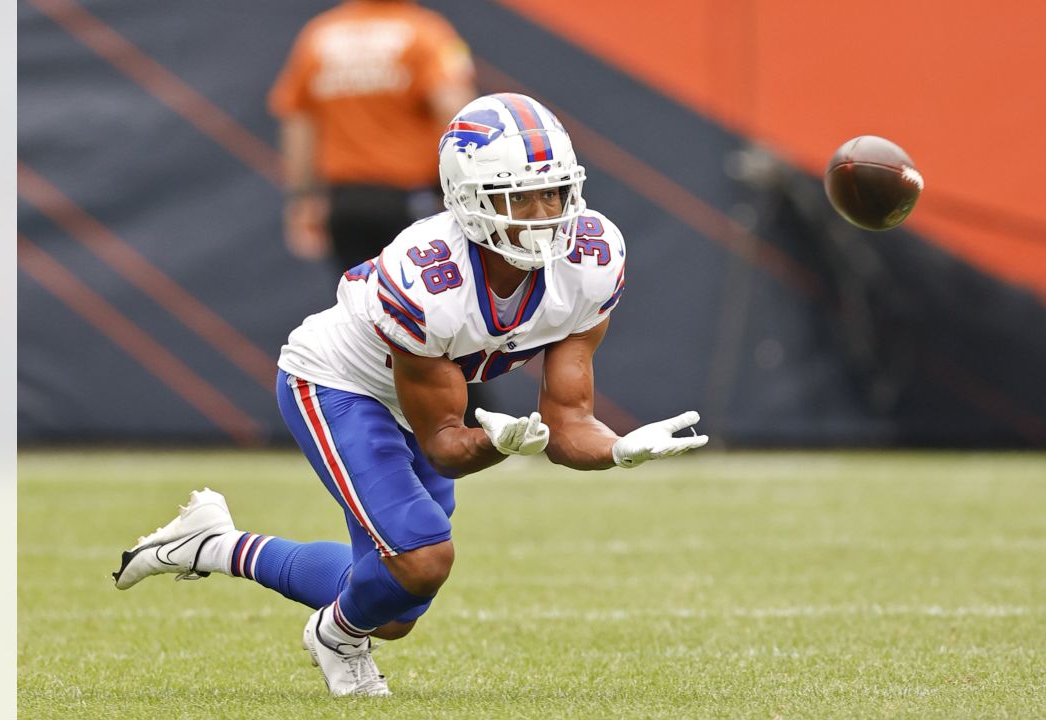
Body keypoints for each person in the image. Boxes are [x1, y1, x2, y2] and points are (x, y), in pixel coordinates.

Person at [112, 93, 709, 697]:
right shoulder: (427, 275)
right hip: (339, 382)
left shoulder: (593, 258)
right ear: (470, 199)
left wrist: (617, 450)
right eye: (518, 197)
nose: (542, 214)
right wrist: (495, 443)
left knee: (396, 604)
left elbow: (569, 421)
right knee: (423, 557)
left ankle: (213, 544)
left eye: (553, 192)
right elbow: (447, 443)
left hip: (417, 399)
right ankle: (336, 637)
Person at [270, 0, 477, 278]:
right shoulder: (426, 32)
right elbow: (456, 116)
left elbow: (299, 123)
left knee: (361, 307)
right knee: (429, 305)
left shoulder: (318, 36)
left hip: (345, 204)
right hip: (412, 200)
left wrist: (303, 198)